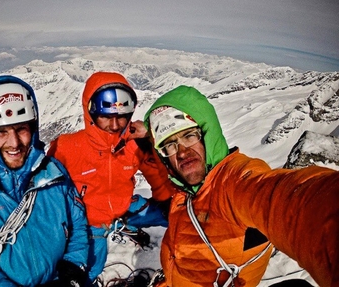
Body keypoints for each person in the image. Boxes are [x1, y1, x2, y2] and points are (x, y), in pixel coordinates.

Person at [143, 85, 339, 287]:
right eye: (170, 145)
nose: (182, 151)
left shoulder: (233, 183)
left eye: (189, 136)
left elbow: (291, 204)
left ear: (207, 132)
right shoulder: (186, 187)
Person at [0, 75, 89, 287]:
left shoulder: (54, 174)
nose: (14, 143)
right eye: (1, 132)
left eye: (21, 129)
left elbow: (77, 224)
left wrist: (72, 268)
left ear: (32, 130)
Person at [47, 71, 175, 284]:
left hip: (124, 208)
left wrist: (166, 201)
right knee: (90, 269)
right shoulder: (67, 147)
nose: (115, 125)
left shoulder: (134, 143)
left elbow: (157, 176)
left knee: (179, 214)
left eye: (121, 116)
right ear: (91, 113)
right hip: (90, 222)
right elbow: (47, 193)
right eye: (106, 116)